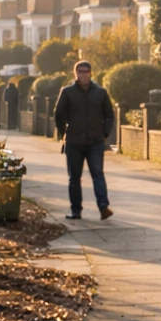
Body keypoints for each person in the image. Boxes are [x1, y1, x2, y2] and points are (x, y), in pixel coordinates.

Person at [54, 61, 115, 221]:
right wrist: (63, 133)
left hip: (95, 141)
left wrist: (105, 133)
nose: (83, 74)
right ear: (76, 73)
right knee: (74, 178)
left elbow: (109, 114)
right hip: (74, 141)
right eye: (80, 71)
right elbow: (59, 113)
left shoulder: (100, 92)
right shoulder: (67, 92)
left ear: (91, 73)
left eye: (86, 71)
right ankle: (76, 211)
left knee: (98, 174)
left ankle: (103, 207)